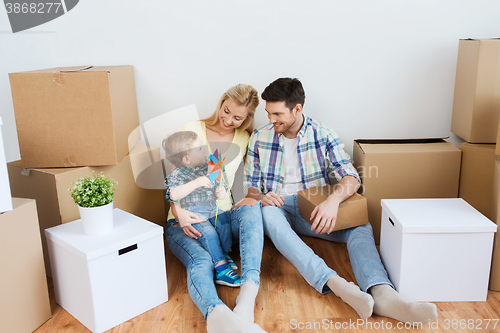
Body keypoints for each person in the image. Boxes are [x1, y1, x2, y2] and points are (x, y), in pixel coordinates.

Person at [244, 77, 438, 325]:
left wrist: (333, 201)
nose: (271, 120)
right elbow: (249, 187)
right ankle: (334, 283)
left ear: (297, 109)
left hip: (314, 211)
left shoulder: (322, 134)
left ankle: (382, 294)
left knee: (360, 225)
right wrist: (261, 196)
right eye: (268, 113)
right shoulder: (260, 137)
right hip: (278, 208)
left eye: (277, 114)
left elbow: (351, 177)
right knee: (267, 214)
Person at [164, 84, 267, 333]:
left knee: (252, 208)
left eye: (238, 117)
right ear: (222, 102)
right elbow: (174, 180)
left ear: (247, 119)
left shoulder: (245, 138)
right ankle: (216, 315)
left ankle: (248, 293)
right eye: (226, 110)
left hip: (221, 217)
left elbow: (252, 181)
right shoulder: (191, 130)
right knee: (201, 261)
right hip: (185, 218)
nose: (229, 120)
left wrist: (258, 196)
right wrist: (178, 212)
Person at [163, 130, 240, 287]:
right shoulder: (178, 175)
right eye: (200, 149)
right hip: (195, 214)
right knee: (209, 234)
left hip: (212, 209)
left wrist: (221, 190)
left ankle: (224, 253)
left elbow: (219, 181)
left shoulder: (207, 166)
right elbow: (173, 194)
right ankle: (221, 268)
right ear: (186, 159)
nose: (205, 150)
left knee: (224, 223)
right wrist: (196, 183)